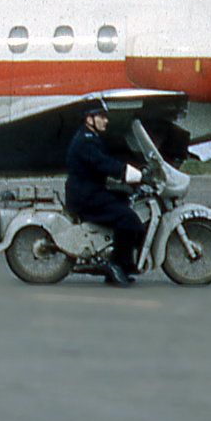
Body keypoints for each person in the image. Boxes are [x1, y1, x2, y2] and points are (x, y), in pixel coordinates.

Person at [65, 103, 145, 286]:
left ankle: (124, 262)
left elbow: (106, 161)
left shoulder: (90, 137)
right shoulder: (86, 141)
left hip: (88, 192)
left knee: (127, 200)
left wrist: (133, 169)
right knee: (127, 219)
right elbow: (103, 163)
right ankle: (115, 265)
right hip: (86, 197)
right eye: (101, 116)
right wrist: (129, 173)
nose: (106, 121)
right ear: (89, 119)